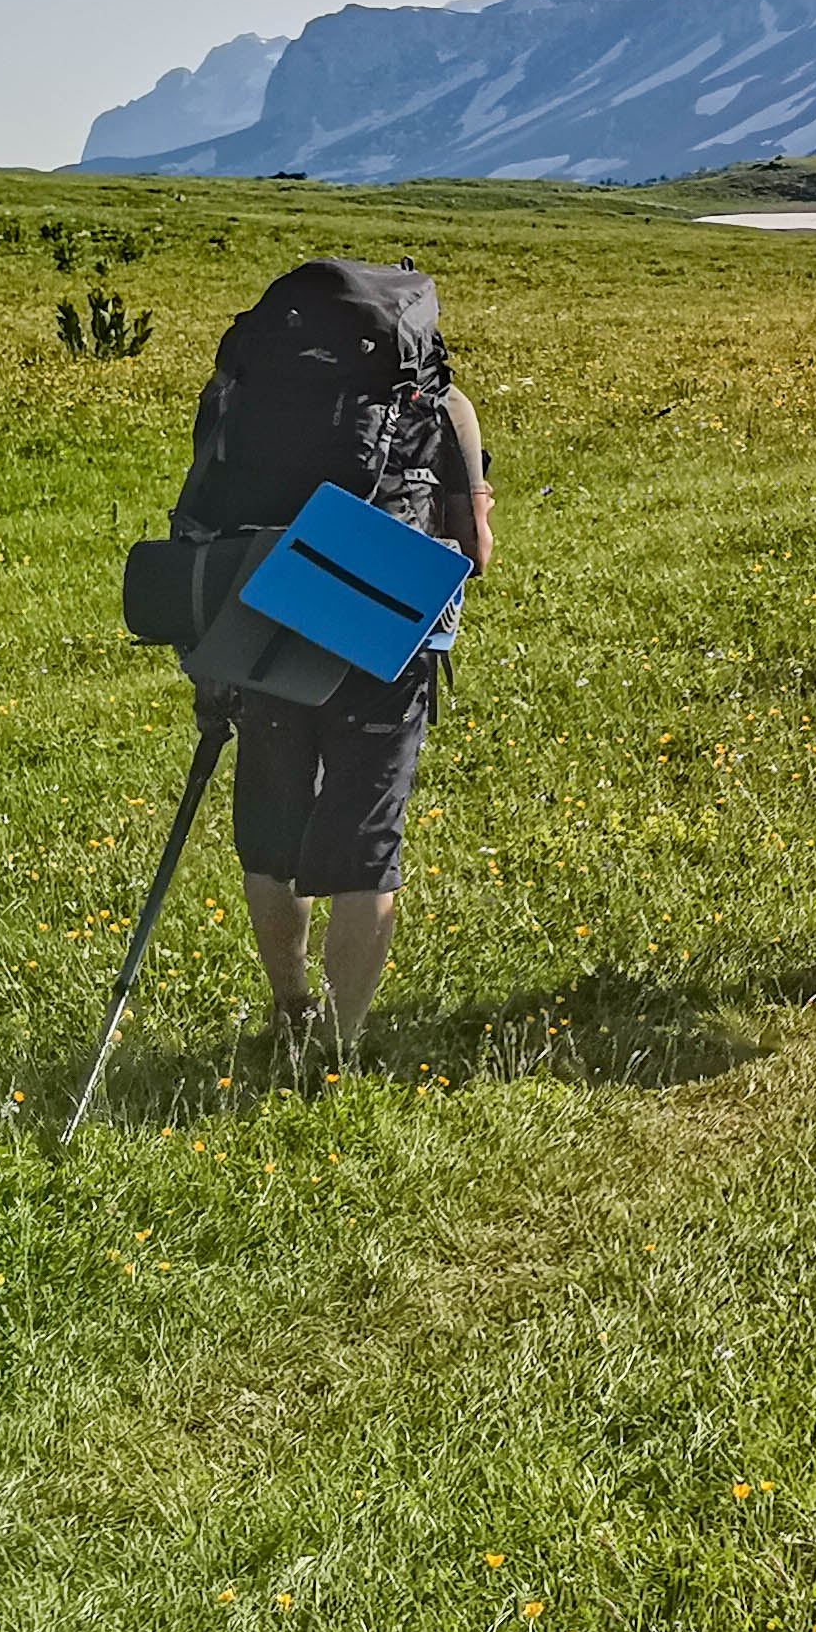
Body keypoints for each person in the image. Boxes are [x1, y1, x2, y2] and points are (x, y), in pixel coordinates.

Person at [171, 260, 489, 1065]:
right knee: (367, 839)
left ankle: (290, 1007)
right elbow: (475, 554)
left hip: (261, 620)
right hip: (384, 635)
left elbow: (200, 503)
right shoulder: (443, 404)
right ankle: (342, 1050)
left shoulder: (241, 390)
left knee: (270, 827)